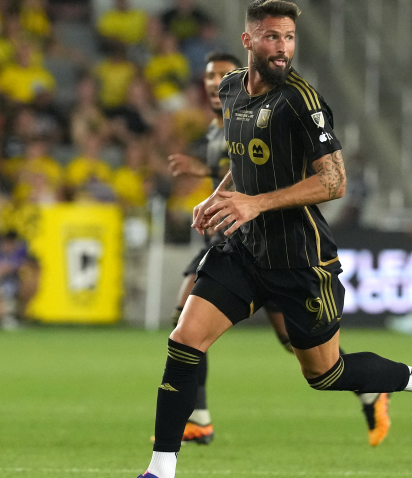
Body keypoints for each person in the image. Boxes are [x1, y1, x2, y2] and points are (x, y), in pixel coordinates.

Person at [136, 2, 412, 478]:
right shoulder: (231, 91)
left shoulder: (301, 101)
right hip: (243, 252)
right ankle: (161, 470)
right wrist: (220, 196)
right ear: (248, 41)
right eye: (271, 37)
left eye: (288, 37)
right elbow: (245, 165)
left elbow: (333, 181)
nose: (282, 47)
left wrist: (254, 204)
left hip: (299, 261)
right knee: (184, 340)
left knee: (326, 374)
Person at [165, 51, 391, 447]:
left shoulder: (281, 106)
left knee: (310, 359)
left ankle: (371, 386)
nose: (214, 82)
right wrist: (210, 184)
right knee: (185, 317)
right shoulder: (217, 129)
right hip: (235, 240)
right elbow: (239, 166)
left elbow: (289, 171)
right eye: (208, 76)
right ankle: (196, 417)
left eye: (221, 74)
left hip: (282, 245)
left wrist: (211, 177)